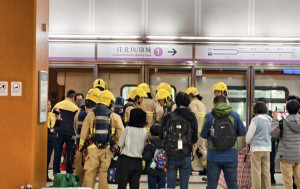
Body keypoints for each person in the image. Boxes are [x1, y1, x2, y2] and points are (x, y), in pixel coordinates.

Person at [79, 90, 124, 189]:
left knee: (90, 173)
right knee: (104, 174)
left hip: (92, 149)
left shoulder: (90, 115)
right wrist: (115, 146)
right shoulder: (115, 117)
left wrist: (82, 148)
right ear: (110, 102)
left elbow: (83, 133)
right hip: (107, 150)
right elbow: (121, 134)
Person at [200, 95, 246, 189]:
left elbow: (203, 135)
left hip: (213, 156)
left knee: (211, 185)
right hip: (231, 155)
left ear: (214, 104)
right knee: (232, 185)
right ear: (226, 102)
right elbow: (243, 132)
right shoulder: (235, 115)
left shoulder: (209, 116)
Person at [160, 92, 198, 189]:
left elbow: (161, 135)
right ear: (188, 103)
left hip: (171, 154)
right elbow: (195, 138)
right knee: (184, 185)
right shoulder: (192, 117)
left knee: (170, 185)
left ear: (176, 103)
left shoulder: (168, 116)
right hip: (185, 154)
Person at [73, 88, 101, 185]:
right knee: (89, 174)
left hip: (78, 148)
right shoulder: (93, 114)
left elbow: (75, 128)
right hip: (88, 149)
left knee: (78, 173)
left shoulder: (78, 112)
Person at [270, 99, 300, 189]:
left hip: (286, 156)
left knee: (288, 182)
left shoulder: (281, 122)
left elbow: (273, 133)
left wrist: (274, 119)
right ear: (298, 109)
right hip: (299, 155)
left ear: (286, 110)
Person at [118, 108, 148, 189]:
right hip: (138, 161)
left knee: (122, 184)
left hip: (125, 160)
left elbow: (120, 143)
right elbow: (145, 146)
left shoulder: (128, 129)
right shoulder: (144, 132)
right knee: (135, 185)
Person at [246, 101, 272, 189]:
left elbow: (249, 135)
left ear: (255, 110)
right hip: (267, 148)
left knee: (256, 171)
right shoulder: (270, 119)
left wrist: (247, 142)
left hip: (257, 148)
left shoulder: (255, 120)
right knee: (266, 171)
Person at [52, 89, 78, 174]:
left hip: (59, 132)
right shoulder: (75, 108)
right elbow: (76, 122)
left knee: (57, 151)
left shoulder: (58, 105)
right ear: (73, 98)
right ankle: (69, 171)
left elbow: (52, 118)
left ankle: (56, 172)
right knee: (70, 153)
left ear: (66, 96)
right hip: (70, 133)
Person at [185, 87, 207, 176]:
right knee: (202, 149)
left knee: (192, 150)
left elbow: (191, 117)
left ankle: (189, 168)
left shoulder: (192, 103)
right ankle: (207, 167)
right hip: (202, 131)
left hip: (195, 131)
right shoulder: (202, 104)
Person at [256, 97, 277, 185]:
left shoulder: (256, 115)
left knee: (259, 162)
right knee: (270, 160)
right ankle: (271, 178)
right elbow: (275, 128)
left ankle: (263, 179)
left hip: (260, 142)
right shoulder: (271, 114)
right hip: (270, 141)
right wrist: (276, 140)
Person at [143, 124, 166, 189]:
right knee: (162, 186)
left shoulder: (149, 144)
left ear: (150, 133)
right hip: (162, 169)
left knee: (152, 187)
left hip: (152, 170)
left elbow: (146, 157)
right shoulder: (165, 143)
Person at [47, 100, 58, 182]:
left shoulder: (52, 115)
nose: (49, 106)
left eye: (50, 104)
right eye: (47, 104)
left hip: (52, 137)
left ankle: (46, 175)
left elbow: (58, 125)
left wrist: (58, 116)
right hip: (45, 136)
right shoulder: (43, 115)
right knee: (45, 157)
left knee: (48, 157)